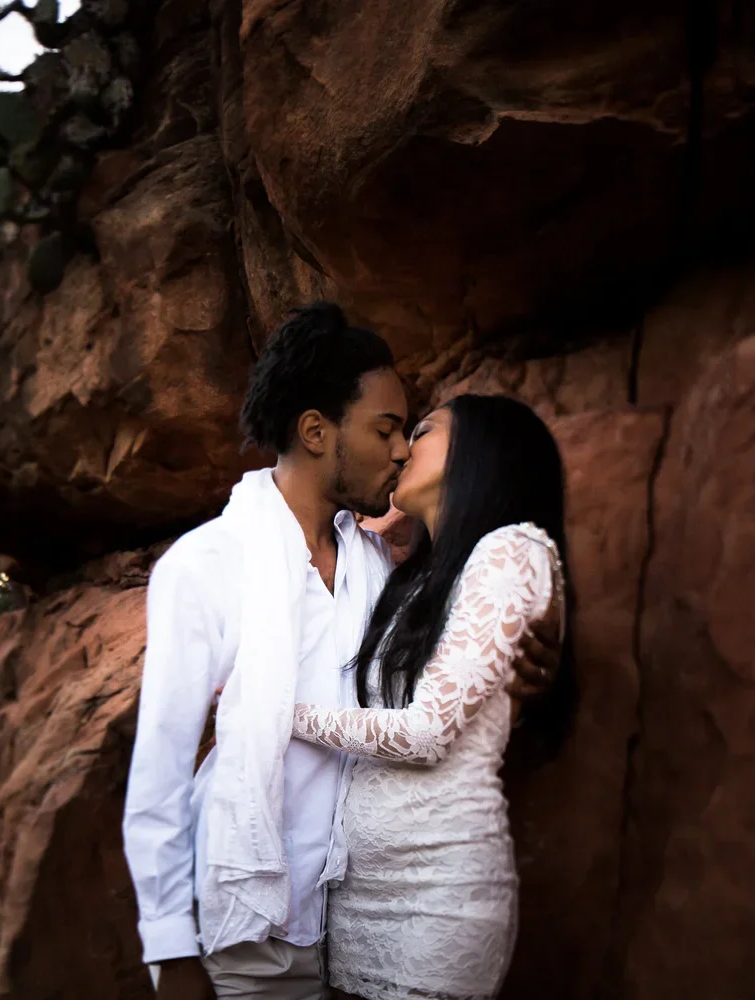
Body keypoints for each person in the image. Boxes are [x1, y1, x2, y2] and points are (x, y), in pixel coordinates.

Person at [121, 303, 559, 1000]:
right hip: (239, 919)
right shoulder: (205, 564)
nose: (399, 450)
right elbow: (161, 775)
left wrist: (524, 674)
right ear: (317, 431)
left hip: (339, 916)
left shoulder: (379, 568)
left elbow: (436, 690)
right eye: (386, 429)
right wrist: (171, 948)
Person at [290, 393, 574, 1000]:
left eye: (422, 430)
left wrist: (280, 715)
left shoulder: (512, 551)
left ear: (480, 452)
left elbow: (426, 733)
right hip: (359, 900)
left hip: (439, 896)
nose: (402, 449)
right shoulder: (417, 576)